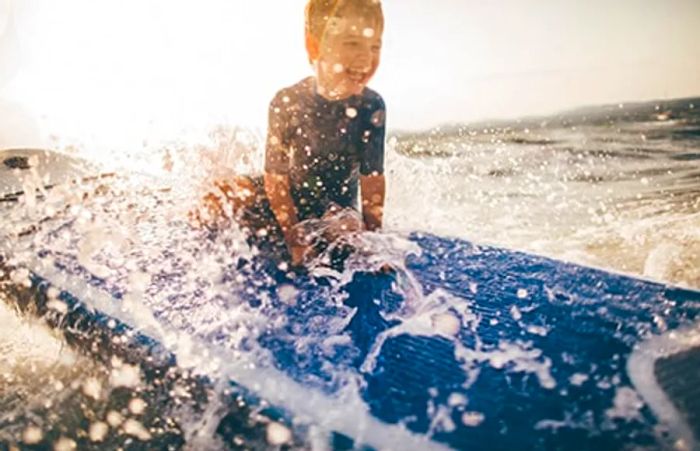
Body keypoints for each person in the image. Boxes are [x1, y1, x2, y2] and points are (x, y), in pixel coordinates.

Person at [193, 0, 386, 269]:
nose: (366, 58)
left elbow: (372, 181)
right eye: (352, 43)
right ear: (315, 46)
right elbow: (275, 178)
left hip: (335, 206)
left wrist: (375, 245)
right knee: (218, 196)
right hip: (289, 196)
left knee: (345, 229)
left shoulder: (370, 107)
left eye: (374, 45)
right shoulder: (287, 101)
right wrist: (292, 236)